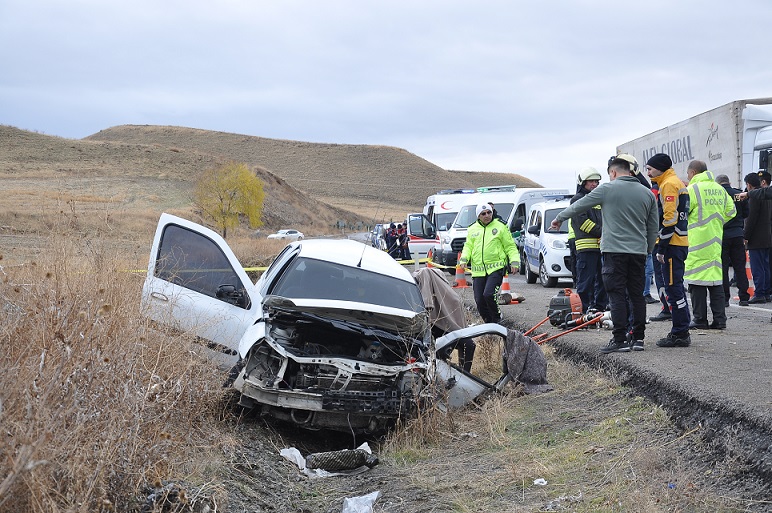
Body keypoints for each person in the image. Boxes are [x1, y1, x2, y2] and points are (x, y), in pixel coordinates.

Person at [550, 158, 658, 354]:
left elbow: (578, 206)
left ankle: (619, 339)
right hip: (638, 252)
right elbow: (653, 227)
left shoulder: (607, 189)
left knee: (616, 294)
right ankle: (638, 338)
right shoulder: (647, 193)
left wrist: (559, 219)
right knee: (636, 295)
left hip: (614, 252)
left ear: (614, 173)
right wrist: (648, 249)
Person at [645, 153, 692, 348]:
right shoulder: (674, 182)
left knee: (674, 289)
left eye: (650, 169)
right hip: (677, 243)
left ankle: (680, 332)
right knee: (676, 288)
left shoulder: (669, 184)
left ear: (660, 167)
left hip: (672, 245)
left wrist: (661, 247)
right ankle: (682, 329)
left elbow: (670, 218)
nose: (647, 172)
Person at [683, 162, 735, 330]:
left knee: (696, 281)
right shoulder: (719, 189)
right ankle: (720, 320)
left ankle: (700, 319)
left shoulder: (693, 189)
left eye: (688, 174)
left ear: (692, 172)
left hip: (697, 241)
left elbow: (683, 213)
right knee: (715, 281)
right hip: (715, 240)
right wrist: (716, 223)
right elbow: (731, 211)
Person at [459, 203, 519, 325]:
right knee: (479, 300)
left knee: (489, 294)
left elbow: (510, 246)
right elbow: (468, 246)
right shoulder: (472, 228)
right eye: (483, 214)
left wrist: (514, 261)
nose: (487, 215)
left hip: (496, 268)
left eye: (489, 212)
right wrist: (464, 259)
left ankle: (497, 320)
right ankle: (488, 323)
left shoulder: (501, 226)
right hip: (478, 270)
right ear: (478, 216)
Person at [570, 167, 607, 313]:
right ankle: (582, 310)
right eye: (591, 181)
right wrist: (605, 232)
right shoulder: (578, 200)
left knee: (603, 281)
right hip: (586, 248)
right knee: (586, 281)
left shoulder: (598, 199)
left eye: (597, 181)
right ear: (583, 182)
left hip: (601, 247)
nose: (595, 184)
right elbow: (583, 223)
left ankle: (598, 308)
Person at [715, 174, 750, 306]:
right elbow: (746, 213)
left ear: (718, 183)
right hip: (737, 234)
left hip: (722, 234)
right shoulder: (738, 194)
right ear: (728, 182)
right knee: (739, 266)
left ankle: (724, 298)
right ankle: (744, 297)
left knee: (723, 268)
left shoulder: (717, 195)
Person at [743, 173, 772, 303]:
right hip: (767, 236)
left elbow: (751, 219)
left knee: (757, 267)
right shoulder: (766, 195)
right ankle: (765, 292)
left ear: (749, 185)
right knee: (765, 266)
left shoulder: (754, 197)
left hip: (756, 238)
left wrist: (746, 236)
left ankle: (759, 293)